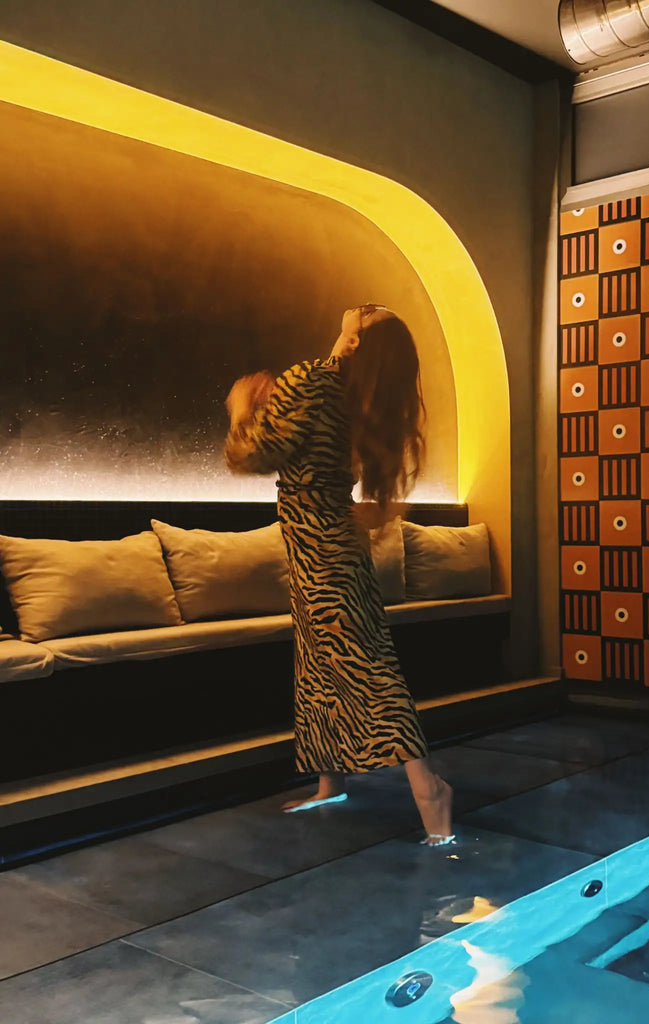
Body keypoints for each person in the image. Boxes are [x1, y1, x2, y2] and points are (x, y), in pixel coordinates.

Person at [224, 304, 454, 846]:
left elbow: (252, 455)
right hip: (329, 540)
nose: (359, 306)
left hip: (319, 544)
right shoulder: (352, 393)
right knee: (320, 664)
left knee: (364, 666)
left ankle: (430, 790)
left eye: (367, 314)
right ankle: (331, 782)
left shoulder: (312, 378)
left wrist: (240, 409)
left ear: (355, 340)